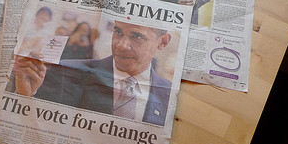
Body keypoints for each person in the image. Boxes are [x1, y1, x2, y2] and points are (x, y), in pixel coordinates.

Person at [13, 21, 172, 126]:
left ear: (163, 41)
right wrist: (25, 96)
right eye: (118, 32)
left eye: (136, 36)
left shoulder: (169, 94)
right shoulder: (65, 73)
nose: (121, 45)